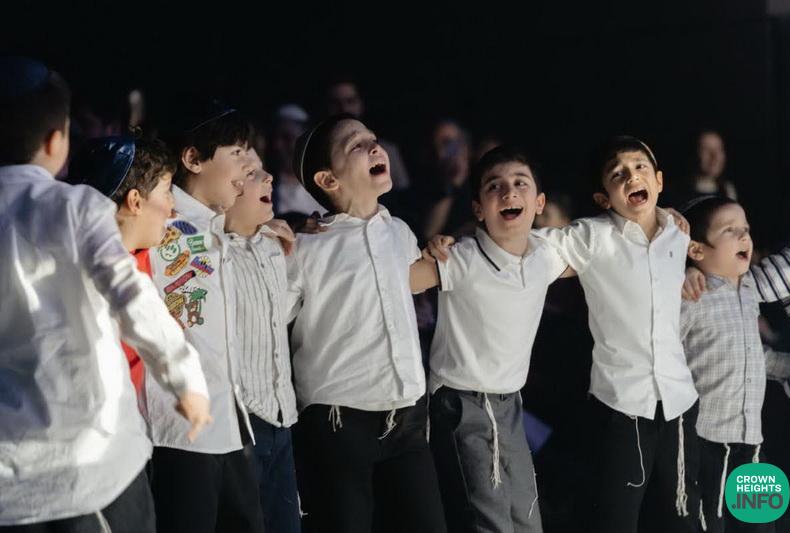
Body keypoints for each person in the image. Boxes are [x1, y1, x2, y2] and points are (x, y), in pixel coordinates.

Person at [0, 57, 210, 532]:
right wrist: (185, 380)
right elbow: (130, 293)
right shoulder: (76, 206)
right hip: (91, 467)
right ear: (55, 142)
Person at [533, 136, 702, 533]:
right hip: (622, 406)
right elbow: (529, 247)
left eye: (640, 167)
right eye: (618, 174)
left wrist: (692, 266)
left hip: (679, 401)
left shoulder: (677, 233)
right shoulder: (592, 236)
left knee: (682, 517)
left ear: (659, 181)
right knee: (616, 518)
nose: (631, 176)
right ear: (603, 198)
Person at [287, 114, 446, 533]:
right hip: (340, 417)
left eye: (373, 139)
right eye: (356, 145)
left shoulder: (400, 232)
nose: (375, 147)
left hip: (406, 413)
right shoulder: (307, 245)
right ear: (328, 180)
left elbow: (407, 282)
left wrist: (440, 251)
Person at [415, 145, 572, 532]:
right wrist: (425, 249)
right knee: (489, 520)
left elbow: (604, 248)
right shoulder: (463, 258)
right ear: (478, 209)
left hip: (510, 405)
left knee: (527, 520)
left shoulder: (545, 255)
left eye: (520, 183)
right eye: (494, 186)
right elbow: (399, 279)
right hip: (461, 403)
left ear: (539, 203)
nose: (508, 192)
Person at [146, 102, 266, 533]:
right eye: (237, 153)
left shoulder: (214, 229)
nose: (249, 166)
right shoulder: (159, 224)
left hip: (230, 425)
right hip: (180, 432)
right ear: (193, 159)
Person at [680, 195, 790, 532]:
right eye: (729, 230)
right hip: (705, 441)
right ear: (697, 249)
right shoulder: (691, 296)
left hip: (751, 440)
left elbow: (748, 352)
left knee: (760, 524)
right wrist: (680, 274)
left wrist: (788, 367)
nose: (744, 235)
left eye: (745, 229)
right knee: (708, 522)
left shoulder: (749, 290)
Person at [223, 148, 301, 533]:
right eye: (251, 172)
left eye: (264, 169)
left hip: (281, 415)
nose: (268, 177)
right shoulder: (216, 253)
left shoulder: (273, 247)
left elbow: (280, 315)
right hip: (243, 419)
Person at [69, 135, 177, 410]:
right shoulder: (79, 284)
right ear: (136, 202)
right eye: (167, 192)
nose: (173, 209)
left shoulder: (144, 253)